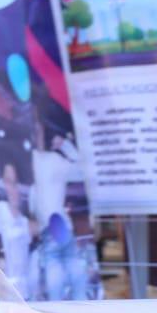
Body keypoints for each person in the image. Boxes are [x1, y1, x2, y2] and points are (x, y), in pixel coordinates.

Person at [30, 115, 90, 299]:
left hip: (48, 224)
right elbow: (82, 169)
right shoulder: (52, 160)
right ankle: (80, 306)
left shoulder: (32, 163)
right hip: (59, 223)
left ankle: (58, 308)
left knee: (55, 267)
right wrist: (66, 146)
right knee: (72, 267)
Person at [0, 161, 38, 297]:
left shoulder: (24, 221)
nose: (11, 187)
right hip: (7, 292)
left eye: (14, 182)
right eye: (7, 181)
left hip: (25, 291)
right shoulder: (1, 210)